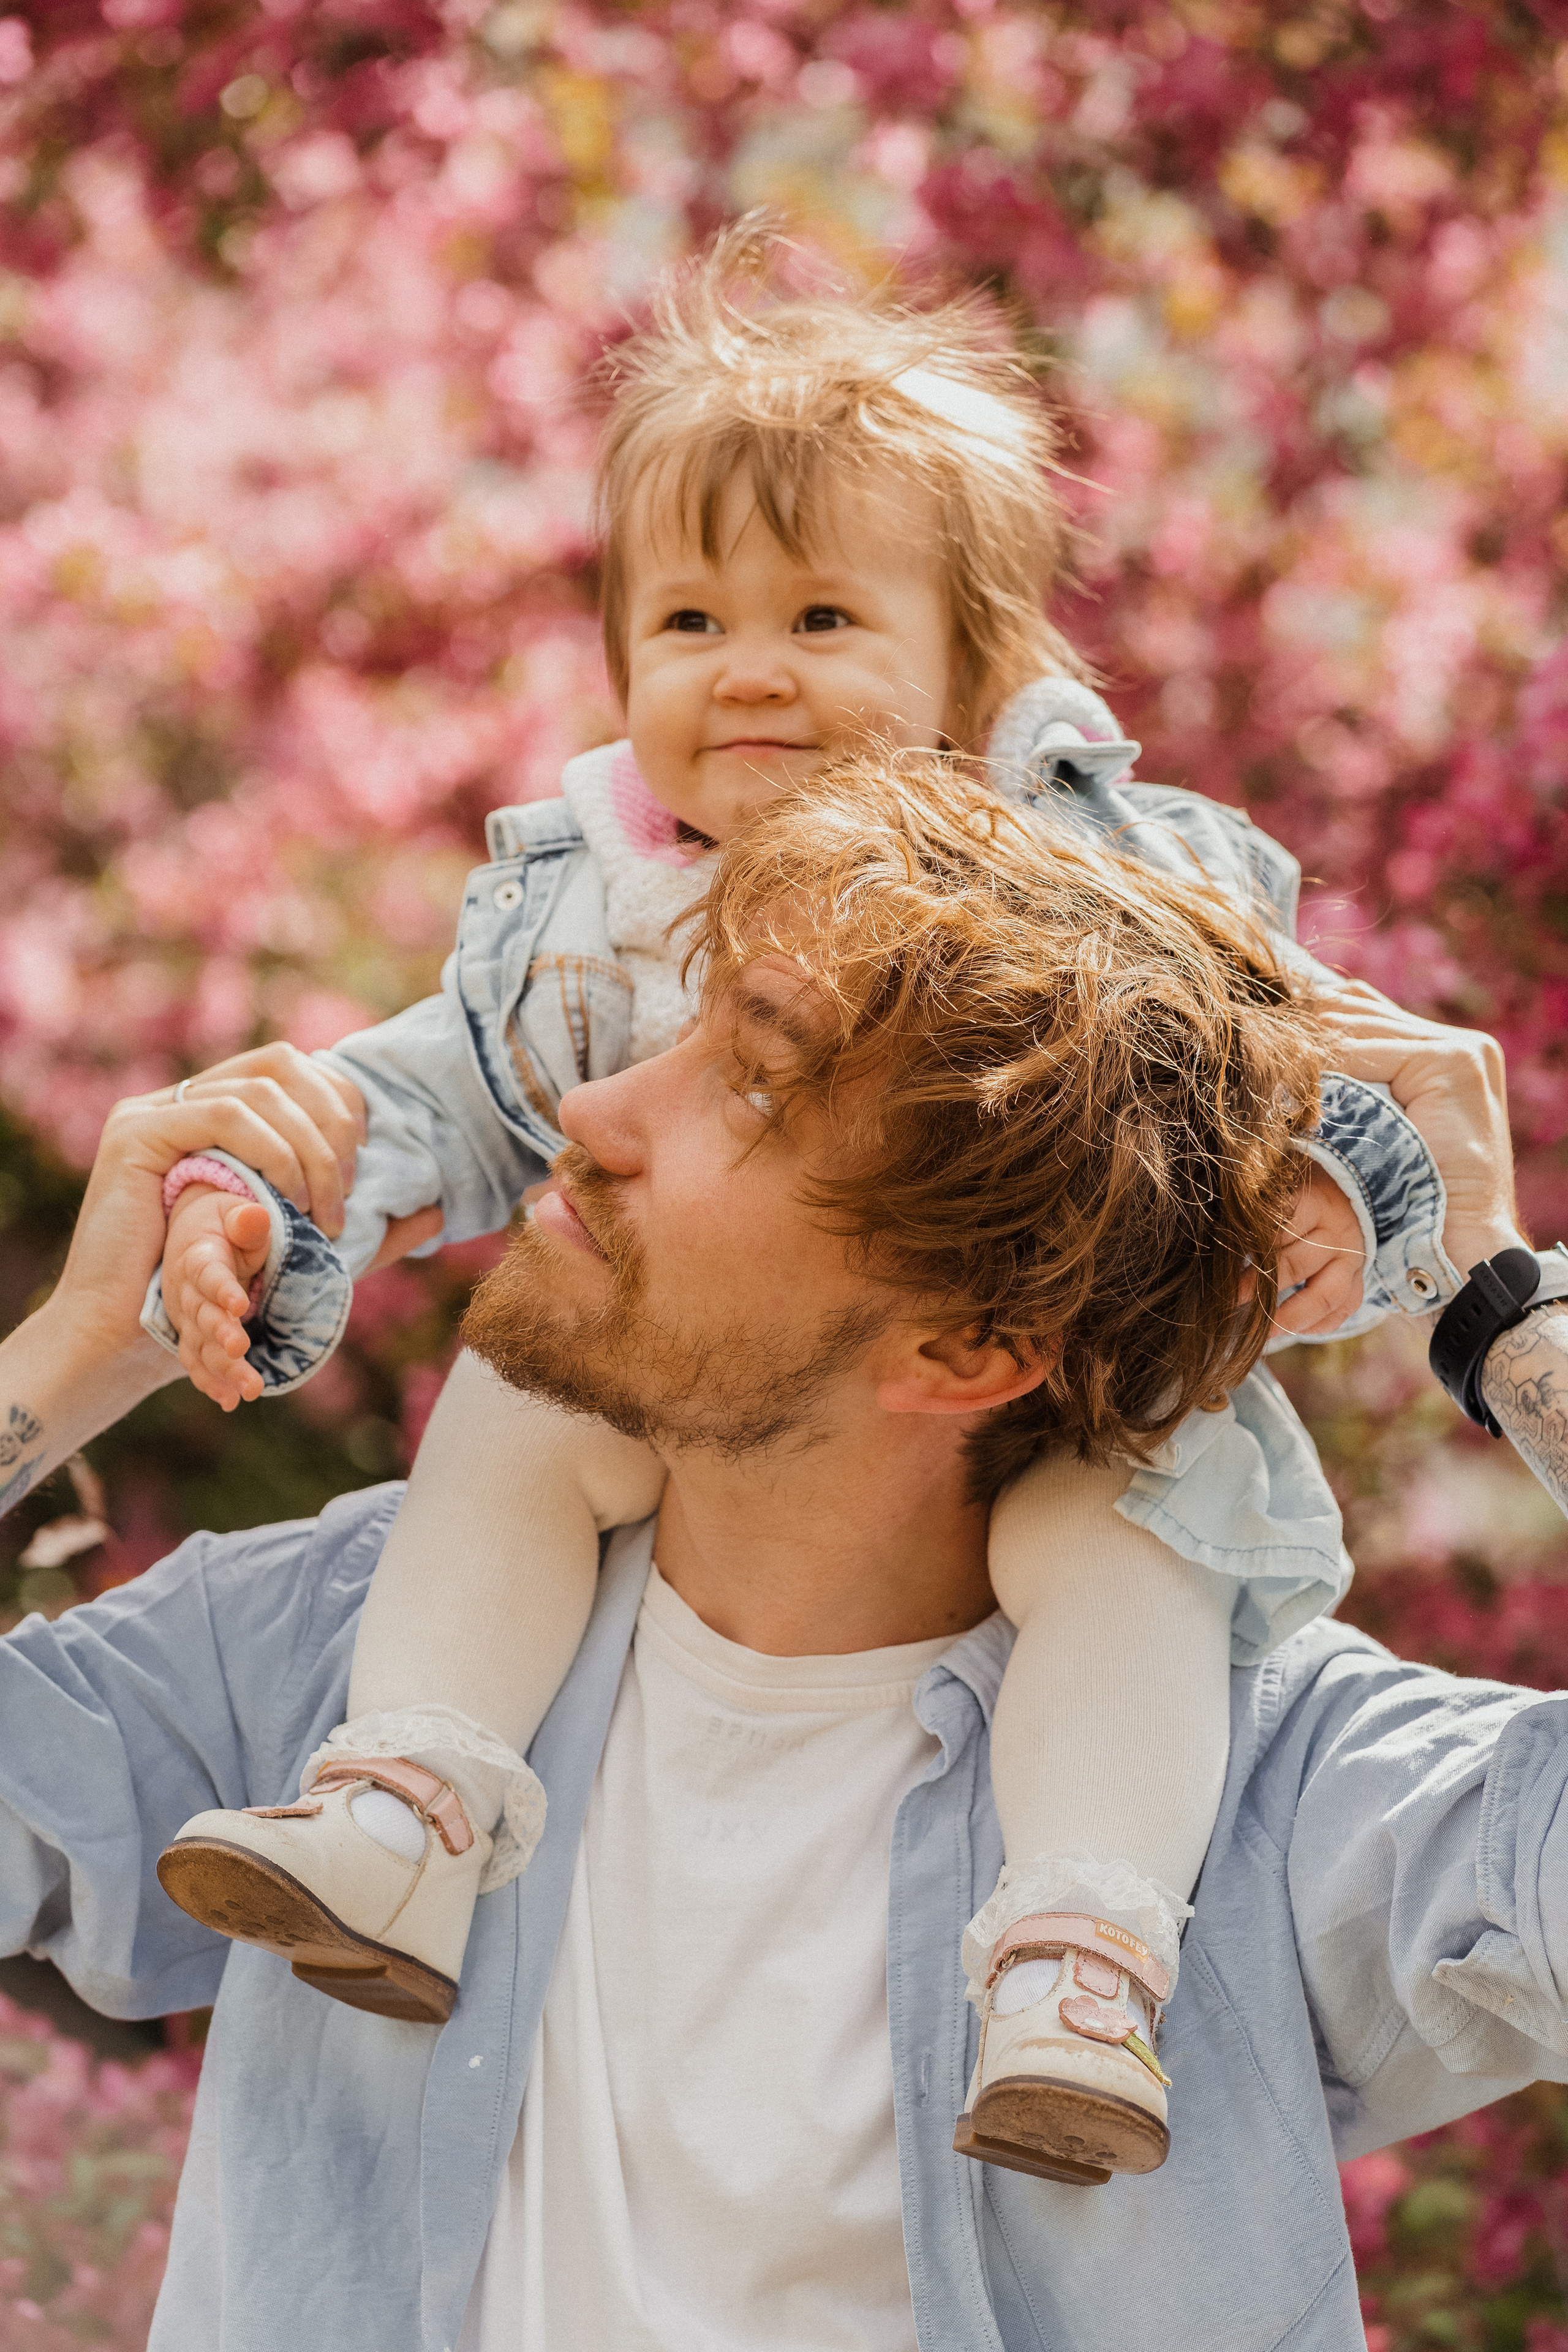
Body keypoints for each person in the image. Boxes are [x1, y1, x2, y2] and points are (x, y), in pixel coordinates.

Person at [92, 234, 1498, 2184]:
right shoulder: (591, 916)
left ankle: (1082, 1962)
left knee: (1133, 1551)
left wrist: (1360, 1203)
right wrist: (259, 1203)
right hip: (701, 1425)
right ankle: (409, 1797)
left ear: (977, 673)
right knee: (516, 1407)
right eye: (686, 621)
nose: (746, 667)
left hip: (1083, 1411)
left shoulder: (1098, 892)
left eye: (823, 615)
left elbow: (1293, 1081)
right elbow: (412, 1099)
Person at [2, 759, 1568, 2352]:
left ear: (966, 1349)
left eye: (752, 1083)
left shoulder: (1267, 1798)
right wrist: (67, 1361)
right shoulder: (352, 1650)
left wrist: (1506, 1313)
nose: (595, 1113)